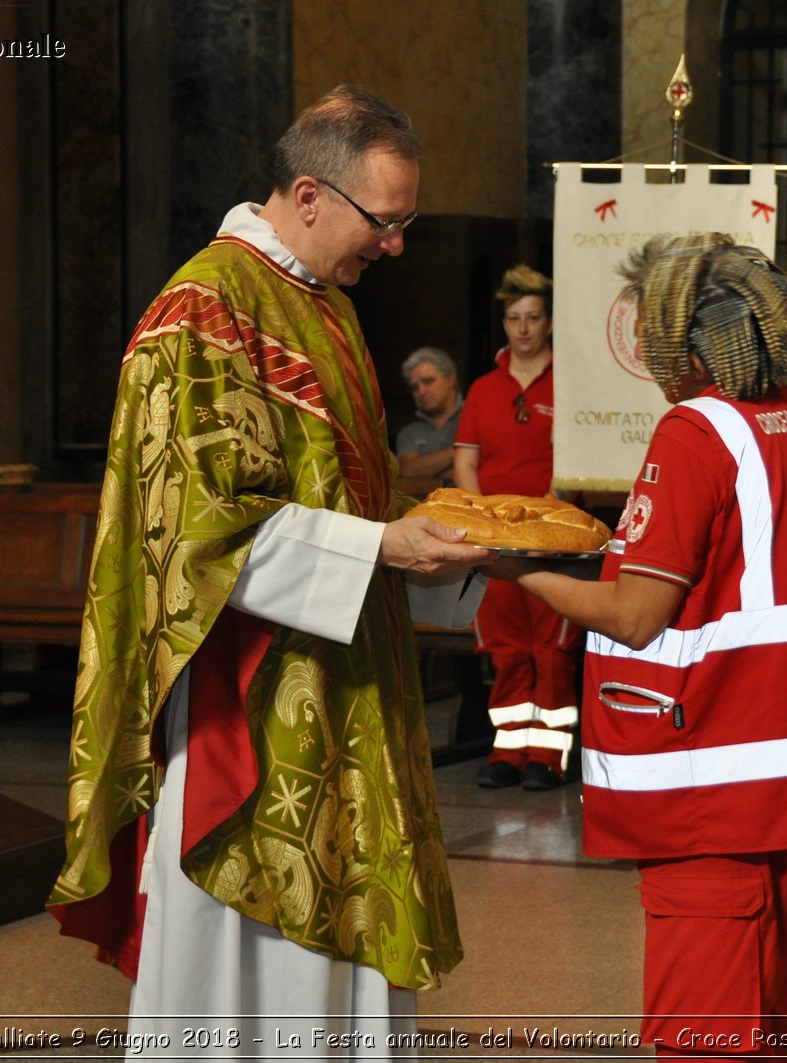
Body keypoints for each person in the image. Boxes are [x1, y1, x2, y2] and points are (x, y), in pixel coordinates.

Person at [45, 85, 491, 1055]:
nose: (397, 244)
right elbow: (197, 529)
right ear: (308, 194)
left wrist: (419, 535)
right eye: (387, 221)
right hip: (246, 702)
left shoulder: (318, 305)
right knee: (249, 973)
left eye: (409, 222)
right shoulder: (202, 310)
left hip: (343, 679)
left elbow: (337, 491)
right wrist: (381, 545)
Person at [490, 234, 787, 1054]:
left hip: (716, 791)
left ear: (692, 345)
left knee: (704, 1037)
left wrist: (512, 567)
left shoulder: (697, 431)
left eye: (654, 330)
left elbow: (636, 614)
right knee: (773, 1023)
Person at [452, 264, 579, 791]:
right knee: (505, 647)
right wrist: (479, 519)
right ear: (504, 325)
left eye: (533, 317)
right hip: (497, 539)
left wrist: (553, 510)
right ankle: (507, 750)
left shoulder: (571, 384)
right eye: (513, 318)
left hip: (551, 537)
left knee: (552, 646)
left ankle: (548, 757)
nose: (523, 327)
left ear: (549, 324)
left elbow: (578, 458)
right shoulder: (484, 388)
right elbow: (466, 461)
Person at [395, 345, 462, 496]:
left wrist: (423, 477)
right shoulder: (409, 432)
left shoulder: (474, 416)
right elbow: (407, 471)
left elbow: (484, 472)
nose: (421, 391)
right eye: (414, 387)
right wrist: (459, 451)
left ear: (450, 378)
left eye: (428, 381)